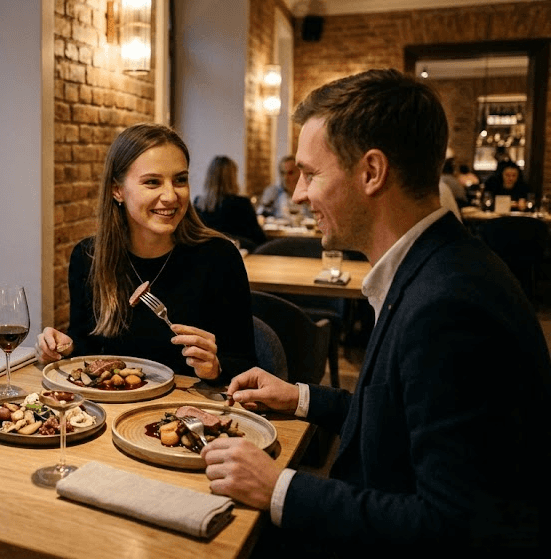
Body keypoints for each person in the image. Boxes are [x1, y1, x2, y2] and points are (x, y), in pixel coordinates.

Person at [200, 69, 551, 555]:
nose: (299, 193)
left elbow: (455, 528)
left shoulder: (450, 308)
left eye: (311, 174)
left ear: (371, 172)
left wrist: (279, 489)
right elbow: (399, 417)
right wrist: (301, 397)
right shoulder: (439, 264)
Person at [36, 123, 257, 382]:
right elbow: (87, 347)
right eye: (152, 182)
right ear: (117, 190)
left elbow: (245, 364)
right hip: (110, 402)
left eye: (180, 180)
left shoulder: (219, 258)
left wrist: (216, 368)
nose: (171, 196)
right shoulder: (88, 257)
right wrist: (64, 347)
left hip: (189, 403)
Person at [193, 155, 267, 248]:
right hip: (240, 253)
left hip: (207, 254)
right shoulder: (242, 203)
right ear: (233, 178)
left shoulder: (198, 203)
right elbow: (260, 239)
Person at [256, 155, 311, 221]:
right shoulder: (273, 192)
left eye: (290, 173)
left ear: (300, 173)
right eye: (283, 173)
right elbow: (259, 215)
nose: (285, 177)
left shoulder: (310, 193)